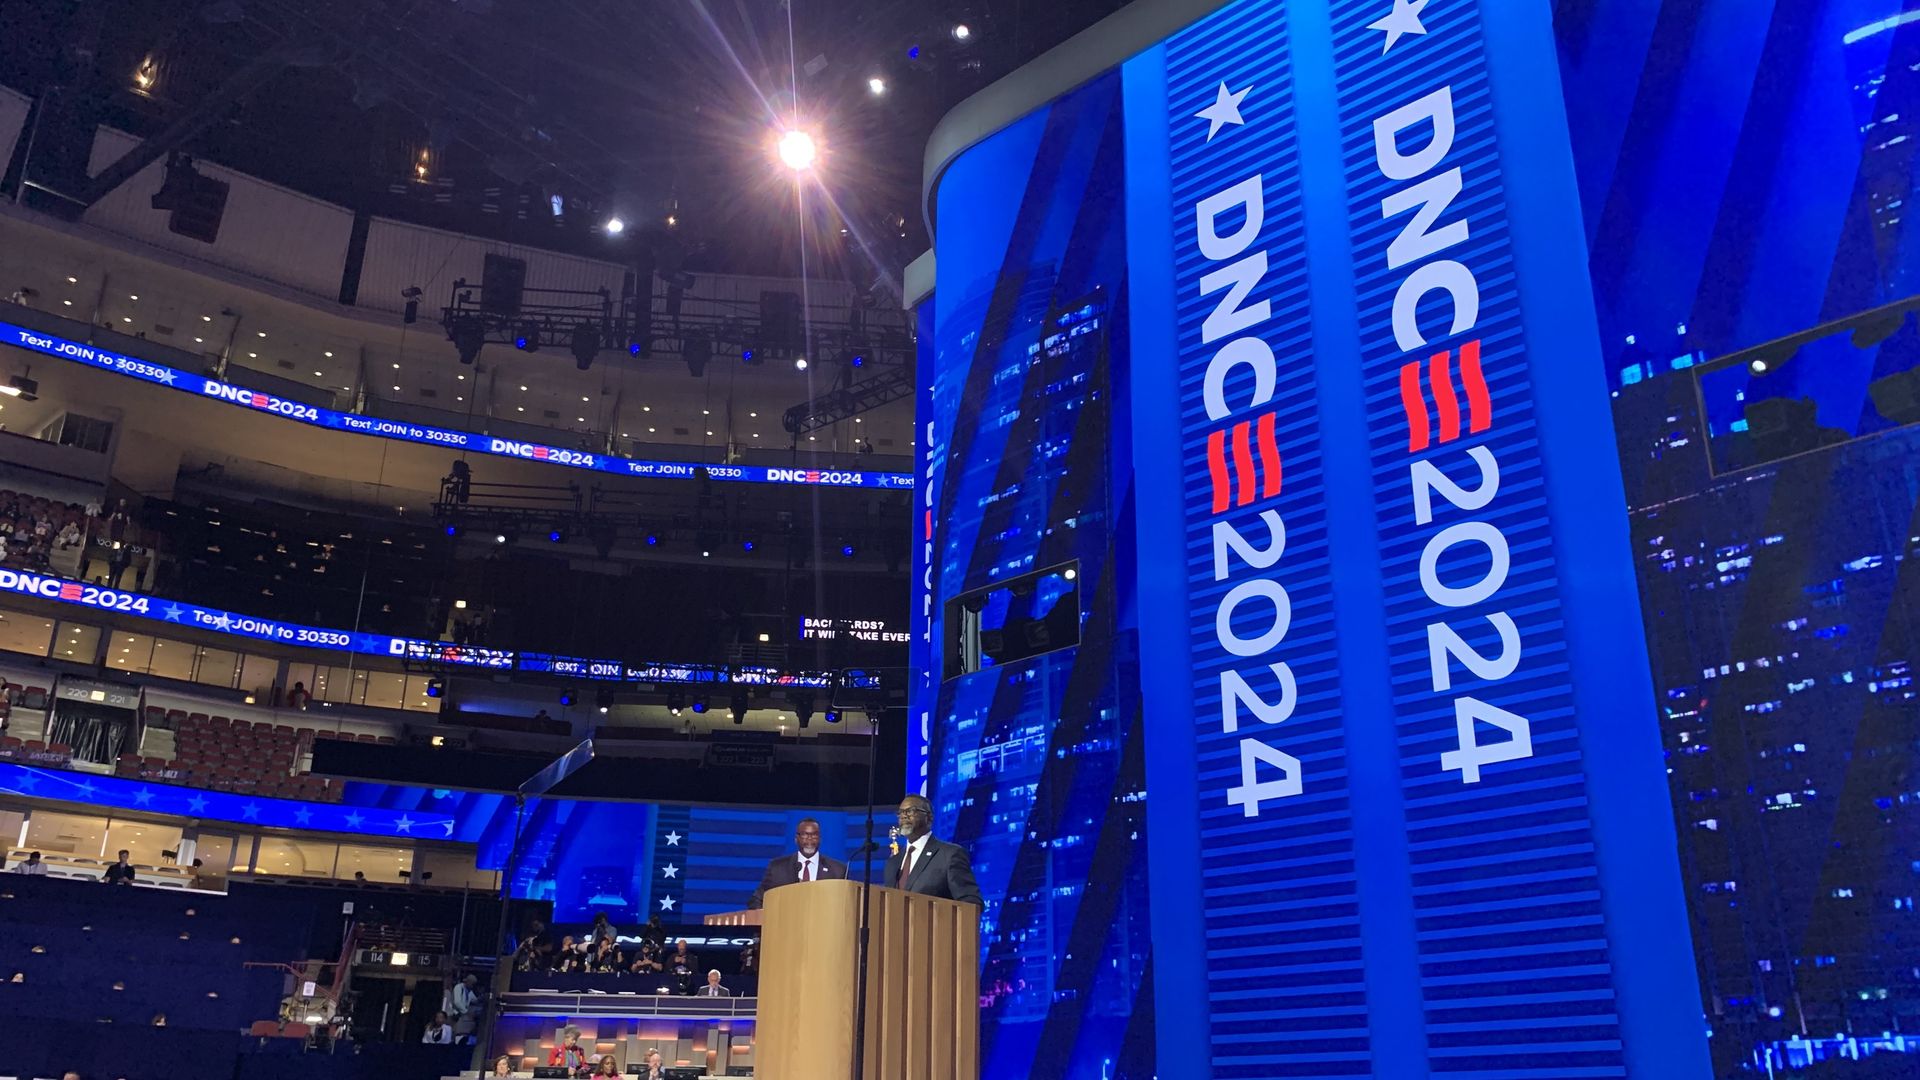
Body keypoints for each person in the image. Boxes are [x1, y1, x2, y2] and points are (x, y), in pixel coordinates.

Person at [884, 795, 982, 906]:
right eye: (900, 812)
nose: (904, 816)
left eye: (910, 811)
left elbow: (971, 902)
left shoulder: (950, 855)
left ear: (929, 817)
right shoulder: (893, 863)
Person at [748, 817, 848, 909]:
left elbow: (844, 905)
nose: (809, 839)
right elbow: (756, 900)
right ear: (796, 839)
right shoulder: (777, 868)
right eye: (805, 834)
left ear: (820, 839)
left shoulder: (838, 870)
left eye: (814, 835)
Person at [449, 973, 480, 1039]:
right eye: (472, 984)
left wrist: (481, 999)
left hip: (461, 1016)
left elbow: (474, 1000)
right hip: (454, 1015)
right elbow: (457, 1002)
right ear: (468, 982)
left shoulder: (469, 991)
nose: (472, 986)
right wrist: (466, 1012)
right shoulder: (458, 987)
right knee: (452, 1033)